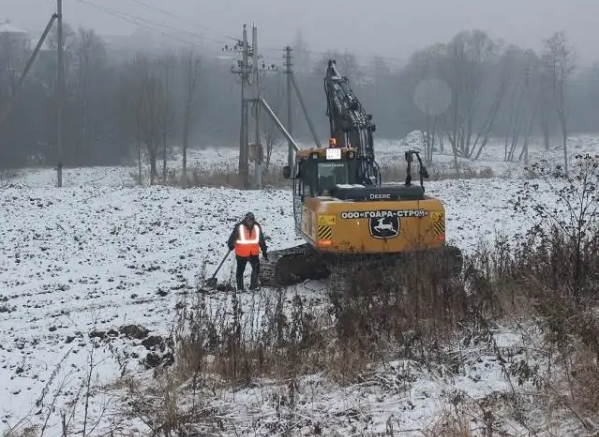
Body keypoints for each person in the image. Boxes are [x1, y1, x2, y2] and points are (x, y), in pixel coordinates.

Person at [227, 212, 268, 291]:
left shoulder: (257, 227)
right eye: (249, 219)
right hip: (241, 253)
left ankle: (254, 286)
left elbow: (261, 239)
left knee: (256, 269)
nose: (250, 221)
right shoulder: (239, 227)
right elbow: (232, 238)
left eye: (252, 219)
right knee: (240, 271)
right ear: (245, 219)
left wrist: (264, 250)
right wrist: (231, 244)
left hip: (253, 253)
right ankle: (240, 288)